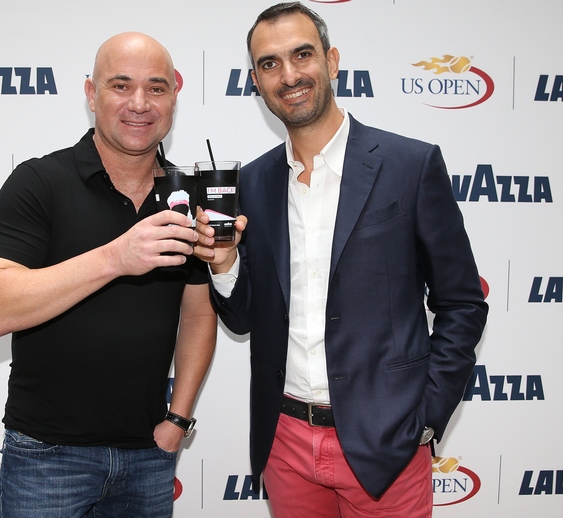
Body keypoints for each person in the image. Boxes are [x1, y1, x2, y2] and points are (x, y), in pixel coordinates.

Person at [193, 3, 488, 517]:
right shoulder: (253, 183)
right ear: (256, 82)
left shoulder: (410, 165)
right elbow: (243, 319)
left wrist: (425, 417)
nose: (289, 75)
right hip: (285, 441)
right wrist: (223, 264)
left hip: (387, 444)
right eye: (269, 64)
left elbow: (462, 303)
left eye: (302, 54)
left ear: (331, 61)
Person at [0, 32, 216, 518]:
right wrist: (116, 258)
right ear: (91, 93)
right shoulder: (39, 181)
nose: (140, 104)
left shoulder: (188, 197)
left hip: (149, 454)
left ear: (174, 96)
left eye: (156, 88)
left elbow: (197, 313)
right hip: (47, 456)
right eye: (121, 86)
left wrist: (178, 419)